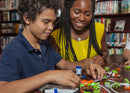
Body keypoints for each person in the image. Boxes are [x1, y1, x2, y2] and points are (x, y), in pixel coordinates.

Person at [0, 0, 105, 92]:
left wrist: (89, 64)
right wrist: (49, 75)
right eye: (46, 22)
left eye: (53, 22)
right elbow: (3, 89)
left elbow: (63, 64)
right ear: (27, 18)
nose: (51, 27)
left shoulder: (44, 43)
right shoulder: (12, 50)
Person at [50, 0, 108, 65]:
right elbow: (56, 64)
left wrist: (100, 58)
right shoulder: (56, 36)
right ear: (68, 10)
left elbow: (105, 52)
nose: (82, 18)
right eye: (77, 12)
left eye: (87, 14)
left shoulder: (99, 29)